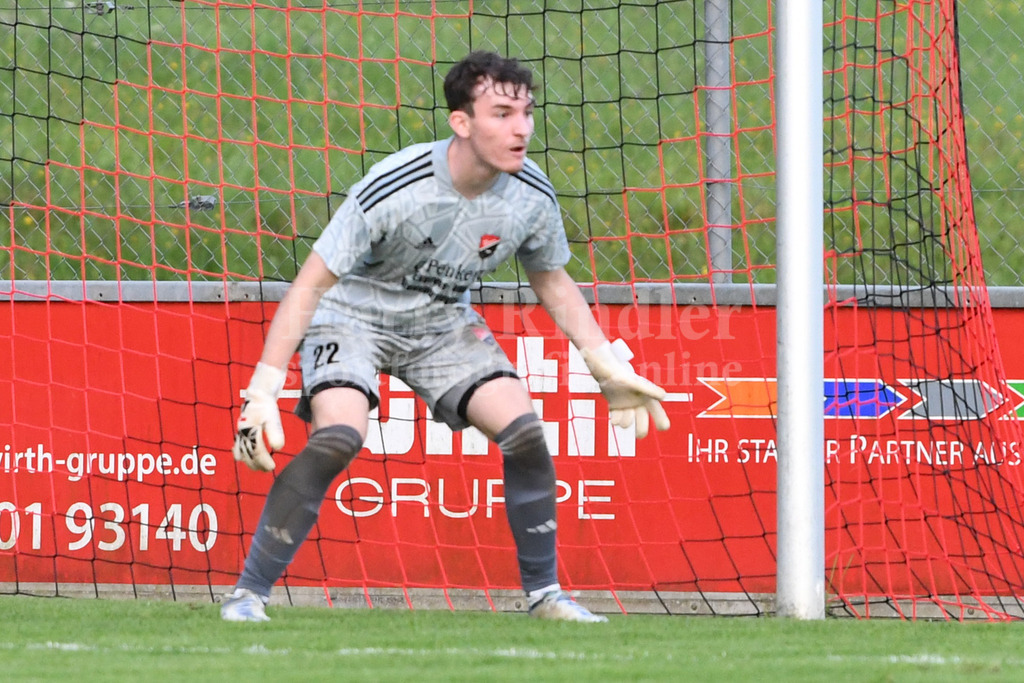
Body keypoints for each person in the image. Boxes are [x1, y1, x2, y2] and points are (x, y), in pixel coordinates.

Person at [221, 51, 670, 624]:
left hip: (439, 322)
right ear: (462, 122)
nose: (522, 128)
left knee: (527, 434)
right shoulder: (396, 184)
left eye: (527, 112)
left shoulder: (532, 195)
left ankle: (546, 596)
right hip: (352, 314)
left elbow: (551, 280)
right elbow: (310, 286)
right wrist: (263, 391)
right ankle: (248, 594)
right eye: (503, 113)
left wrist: (604, 366)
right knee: (338, 436)